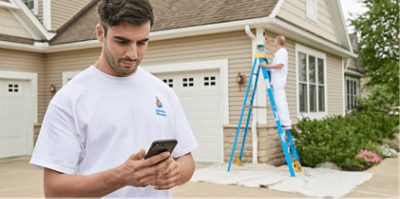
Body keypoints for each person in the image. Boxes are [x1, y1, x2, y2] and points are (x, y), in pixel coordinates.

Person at [30, 0, 198, 197]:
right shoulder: (70, 99)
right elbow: (54, 189)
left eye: (142, 42)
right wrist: (121, 177)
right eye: (122, 41)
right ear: (101, 33)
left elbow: (186, 160)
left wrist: (175, 173)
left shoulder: (162, 92)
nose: (133, 54)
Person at [260, 35, 292, 129]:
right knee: (279, 101)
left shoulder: (282, 52)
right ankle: (285, 122)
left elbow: (280, 65)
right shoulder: (280, 52)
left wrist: (266, 66)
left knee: (280, 101)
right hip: (276, 80)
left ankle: (285, 122)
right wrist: (268, 43)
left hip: (279, 80)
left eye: (275, 40)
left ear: (278, 42)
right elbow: (273, 52)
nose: (274, 41)